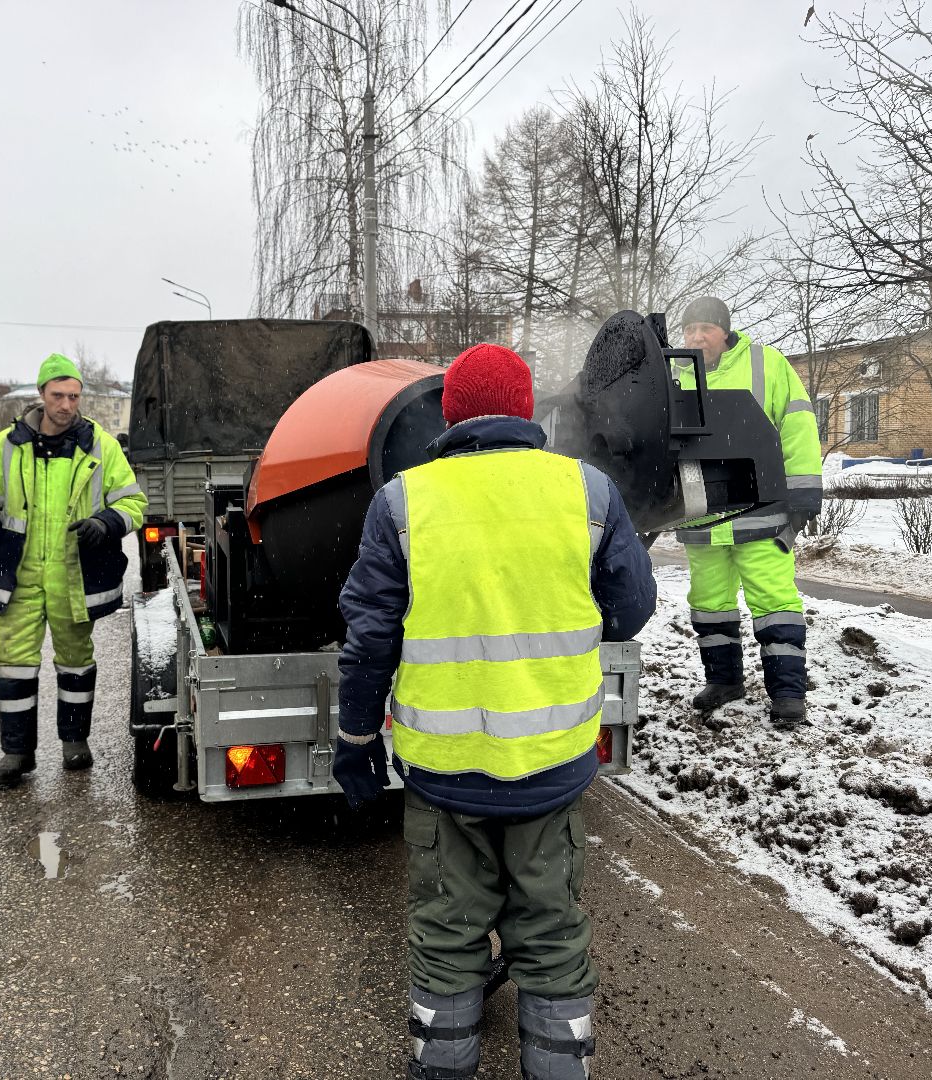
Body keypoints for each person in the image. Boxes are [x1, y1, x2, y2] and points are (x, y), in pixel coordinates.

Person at [332, 343, 656, 1080]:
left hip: (444, 778)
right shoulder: (590, 493)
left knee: (448, 935)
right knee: (551, 935)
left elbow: (370, 638)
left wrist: (356, 737)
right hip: (551, 771)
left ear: (448, 414)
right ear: (524, 409)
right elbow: (630, 611)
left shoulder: (403, 501)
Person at [0, 353, 147, 787]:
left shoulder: (101, 446)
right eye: (58, 396)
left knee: (76, 660)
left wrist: (105, 523)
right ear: (41, 395)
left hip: (73, 575)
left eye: (74, 396)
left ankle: (75, 742)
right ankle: (16, 752)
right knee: (13, 661)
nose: (66, 405)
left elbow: (133, 503)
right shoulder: (7, 445)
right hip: (19, 573)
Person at [672, 297, 823, 727]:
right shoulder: (672, 372)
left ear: (725, 331)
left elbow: (797, 426)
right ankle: (724, 680)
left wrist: (805, 491)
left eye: (705, 328)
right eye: (689, 329)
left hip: (763, 511)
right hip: (700, 516)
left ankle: (788, 694)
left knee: (774, 602)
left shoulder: (767, 363)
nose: (696, 337)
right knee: (709, 604)